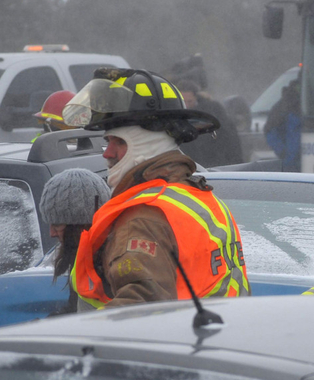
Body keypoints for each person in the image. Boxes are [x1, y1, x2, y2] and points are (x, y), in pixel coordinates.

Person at [62, 68, 250, 310]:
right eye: (107, 142)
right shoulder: (201, 197)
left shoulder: (144, 217)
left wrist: (86, 332)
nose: (107, 153)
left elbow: (139, 309)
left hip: (170, 333)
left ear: (147, 144)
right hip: (216, 329)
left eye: (118, 142)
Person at [38, 168, 111, 314]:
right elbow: (74, 311)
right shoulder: (84, 255)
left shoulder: (112, 262)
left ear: (80, 225)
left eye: (57, 224)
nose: (51, 233)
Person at [174, 77, 243, 167]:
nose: (186, 105)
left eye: (190, 101)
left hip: (216, 162)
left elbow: (229, 137)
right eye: (183, 101)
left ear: (196, 98)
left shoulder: (213, 112)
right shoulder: (173, 117)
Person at [264, 76, 301, 172]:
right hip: (290, 164)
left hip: (310, 160)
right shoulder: (283, 107)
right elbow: (270, 131)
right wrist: (283, 152)